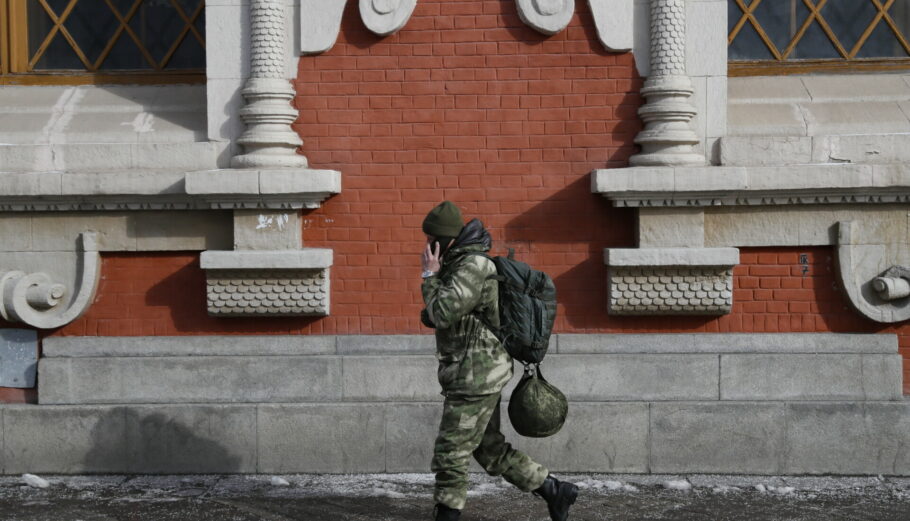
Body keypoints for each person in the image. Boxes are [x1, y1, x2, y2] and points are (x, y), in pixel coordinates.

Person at [419, 201, 578, 521]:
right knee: (488, 449)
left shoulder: (473, 266)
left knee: (450, 451)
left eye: (432, 240)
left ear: (446, 239)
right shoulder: (461, 263)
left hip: (475, 374)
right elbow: (445, 313)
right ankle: (554, 490)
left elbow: (441, 312)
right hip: (475, 370)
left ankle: (447, 515)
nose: (428, 247)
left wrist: (429, 275)